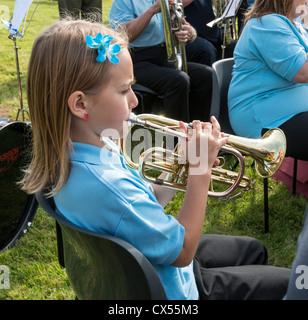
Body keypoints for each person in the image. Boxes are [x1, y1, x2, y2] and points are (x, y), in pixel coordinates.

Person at [20, 18, 290, 300]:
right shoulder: (109, 187)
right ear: (80, 104)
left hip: (153, 268)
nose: (135, 101)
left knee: (254, 249)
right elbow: (184, 251)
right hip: (175, 291)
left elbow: (145, 200)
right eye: (124, 90)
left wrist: (182, 161)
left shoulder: (88, 152)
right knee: (292, 284)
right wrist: (199, 172)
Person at [228, 0, 308, 161]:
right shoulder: (268, 23)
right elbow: (303, 72)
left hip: (288, 110)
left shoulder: (296, 24)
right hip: (264, 118)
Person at [109, 0, 213, 123]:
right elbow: (124, 35)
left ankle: (197, 131)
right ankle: (175, 137)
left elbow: (183, 25)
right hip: (135, 60)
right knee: (178, 80)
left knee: (206, 75)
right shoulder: (124, 2)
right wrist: (152, 11)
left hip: (164, 55)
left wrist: (190, 33)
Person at [183, 0, 237, 66]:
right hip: (189, 35)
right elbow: (172, 3)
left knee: (234, 47)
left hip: (213, 32)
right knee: (206, 51)